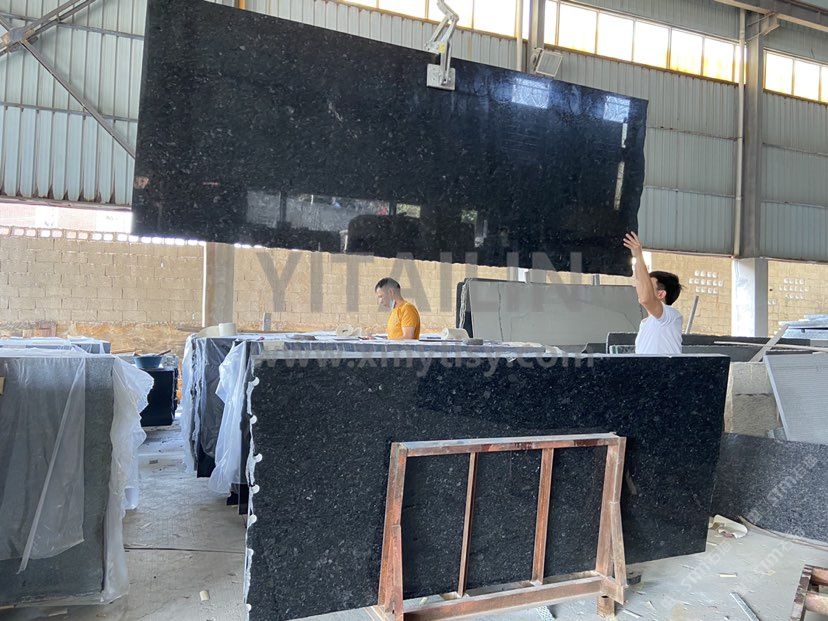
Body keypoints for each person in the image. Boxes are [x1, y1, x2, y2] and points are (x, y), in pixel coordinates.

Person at [623, 232, 683, 355]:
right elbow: (642, 287)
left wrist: (638, 256)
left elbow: (645, 298)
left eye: (650, 286)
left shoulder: (670, 316)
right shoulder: (647, 323)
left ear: (661, 294)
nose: (642, 288)